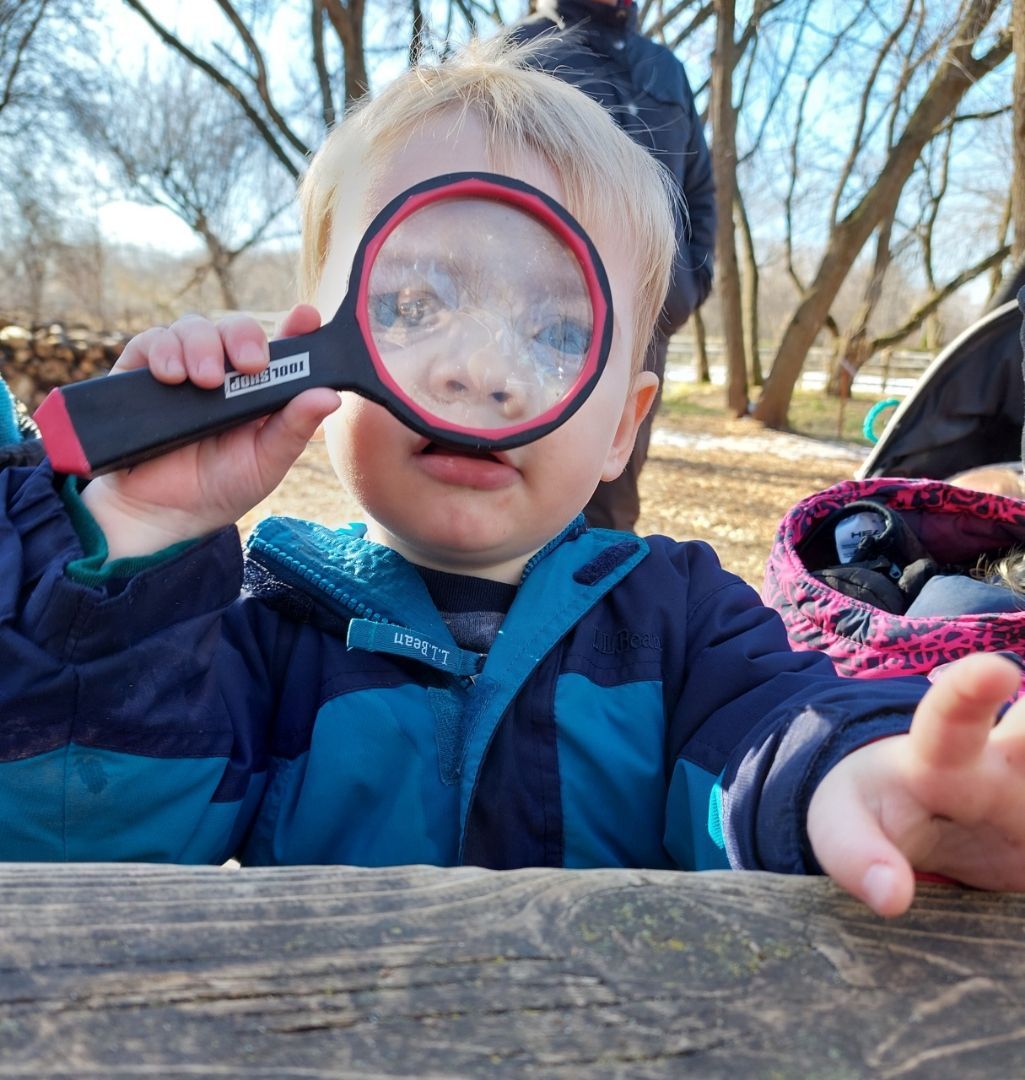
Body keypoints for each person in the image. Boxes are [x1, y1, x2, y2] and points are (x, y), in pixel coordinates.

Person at [3, 37, 1025, 919]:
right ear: (315, 351)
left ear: (623, 427)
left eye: (554, 332)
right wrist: (141, 539)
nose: (478, 371)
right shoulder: (260, 632)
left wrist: (859, 781)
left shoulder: (684, 625)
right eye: (409, 307)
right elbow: (81, 845)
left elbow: (777, 734)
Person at [512, 0, 715, 532]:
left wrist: (685, 288)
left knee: (612, 493)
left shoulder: (666, 69)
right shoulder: (519, 51)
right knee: (524, 482)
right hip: (535, 322)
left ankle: (601, 610)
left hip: (644, 326)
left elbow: (700, 192)